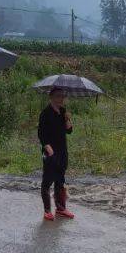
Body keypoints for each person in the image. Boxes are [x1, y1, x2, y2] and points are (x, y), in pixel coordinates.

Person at [37, 88, 74, 221]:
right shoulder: (45, 113)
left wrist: (68, 120)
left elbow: (69, 131)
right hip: (50, 151)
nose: (61, 99)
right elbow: (41, 133)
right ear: (51, 97)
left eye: (63, 96)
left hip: (62, 150)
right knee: (47, 180)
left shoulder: (63, 112)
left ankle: (60, 208)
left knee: (60, 180)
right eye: (58, 96)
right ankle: (47, 210)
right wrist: (47, 146)